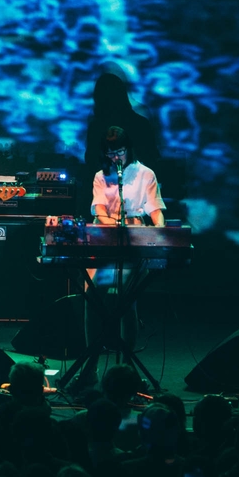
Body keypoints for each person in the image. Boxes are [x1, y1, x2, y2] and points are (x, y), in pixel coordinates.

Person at [77, 125, 164, 389]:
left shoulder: (145, 173)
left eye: (121, 152)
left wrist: (160, 232)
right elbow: (100, 209)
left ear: (129, 149)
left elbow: (156, 209)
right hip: (105, 238)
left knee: (128, 304)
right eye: (111, 153)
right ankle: (89, 367)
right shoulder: (100, 176)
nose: (117, 158)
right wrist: (115, 223)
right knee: (93, 300)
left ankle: (127, 368)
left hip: (134, 238)